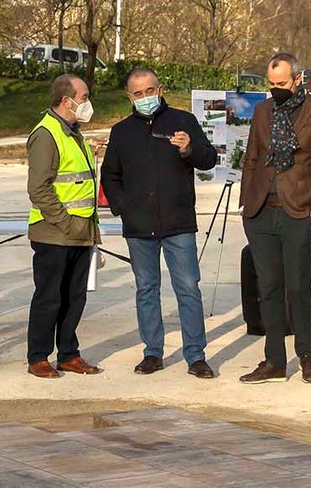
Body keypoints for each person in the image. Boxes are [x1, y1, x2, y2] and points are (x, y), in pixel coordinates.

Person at [102, 68, 220, 378]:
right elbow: (110, 174)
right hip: (139, 225)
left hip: (178, 221)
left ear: (160, 88)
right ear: (130, 97)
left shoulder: (183, 121)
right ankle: (152, 352)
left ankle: (195, 355)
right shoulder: (122, 131)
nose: (144, 98)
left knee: (188, 288)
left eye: (149, 91)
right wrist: (122, 207)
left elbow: (209, 159)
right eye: (137, 94)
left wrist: (188, 149)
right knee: (146, 289)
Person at [238, 52, 311, 384]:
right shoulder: (263, 111)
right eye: (271, 83)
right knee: (268, 288)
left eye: (281, 83)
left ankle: (306, 355)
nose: (276, 89)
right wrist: (245, 203)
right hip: (261, 212)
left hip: (298, 213)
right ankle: (274, 360)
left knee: (297, 287)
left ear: (298, 79)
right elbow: (251, 158)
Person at [25, 73, 104, 378]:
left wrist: (87, 229)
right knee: (49, 297)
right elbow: (39, 189)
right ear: (65, 100)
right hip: (55, 233)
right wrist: (68, 224)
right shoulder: (46, 134)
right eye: (83, 98)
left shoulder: (73, 132)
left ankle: (69, 353)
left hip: (79, 233)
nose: (87, 104)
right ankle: (38, 357)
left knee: (74, 297)